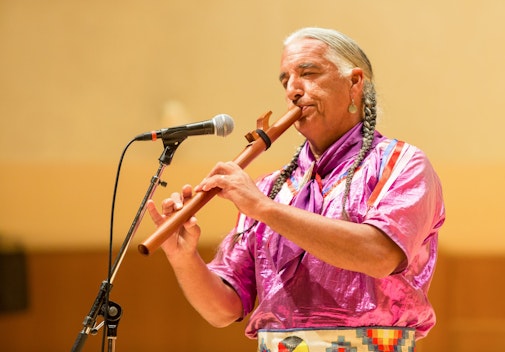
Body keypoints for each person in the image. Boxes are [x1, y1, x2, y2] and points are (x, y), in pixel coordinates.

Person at [147, 27, 445, 351]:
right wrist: (183, 257)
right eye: (285, 80)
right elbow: (224, 309)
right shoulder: (272, 188)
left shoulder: (402, 165)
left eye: (308, 73)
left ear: (355, 83)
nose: (292, 90)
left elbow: (379, 255)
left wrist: (265, 209)